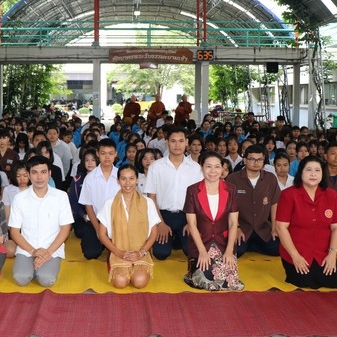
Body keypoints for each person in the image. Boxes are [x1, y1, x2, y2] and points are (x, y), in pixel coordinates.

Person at [274, 156, 337, 289]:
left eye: (317, 170)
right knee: (308, 283)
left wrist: (332, 254)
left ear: (322, 174)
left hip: (323, 252)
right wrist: (295, 256)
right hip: (297, 251)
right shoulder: (288, 194)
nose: (313, 174)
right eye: (308, 170)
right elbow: (280, 227)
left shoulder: (331, 194)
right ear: (301, 173)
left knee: (334, 282)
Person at [8, 155, 74, 287]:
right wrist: (33, 251)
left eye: (43, 172)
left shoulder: (61, 196)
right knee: (21, 278)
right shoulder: (19, 198)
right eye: (34, 172)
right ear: (29, 175)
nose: (39, 177)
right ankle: (32, 267)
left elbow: (65, 228)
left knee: (46, 279)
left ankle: (42, 267)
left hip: (51, 249)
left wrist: (48, 253)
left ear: (49, 174)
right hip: (27, 249)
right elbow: (14, 231)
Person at [182, 151, 244, 291]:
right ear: (202, 168)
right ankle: (192, 273)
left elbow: (233, 223)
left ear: (222, 169)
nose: (213, 171)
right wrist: (202, 252)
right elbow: (191, 224)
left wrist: (229, 251)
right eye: (208, 166)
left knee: (230, 283)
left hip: (223, 242)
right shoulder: (192, 190)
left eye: (217, 167)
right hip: (201, 242)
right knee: (208, 280)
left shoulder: (231, 190)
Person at [144, 125, 204, 260]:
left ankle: (178, 239)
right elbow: (151, 198)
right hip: (163, 215)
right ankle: (173, 238)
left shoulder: (195, 168)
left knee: (191, 252)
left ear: (186, 142)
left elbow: (199, 198)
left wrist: (192, 223)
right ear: (167, 142)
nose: (177, 145)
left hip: (187, 215)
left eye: (181, 141)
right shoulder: (156, 167)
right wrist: (160, 223)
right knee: (161, 254)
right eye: (173, 141)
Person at [96, 165, 160, 289]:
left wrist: (141, 252)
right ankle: (117, 265)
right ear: (118, 180)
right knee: (120, 282)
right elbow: (102, 234)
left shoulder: (148, 203)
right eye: (123, 179)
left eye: (131, 178)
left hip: (141, 251)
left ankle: (138, 265)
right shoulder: (110, 203)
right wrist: (118, 252)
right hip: (118, 251)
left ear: (137, 180)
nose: (127, 183)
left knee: (139, 282)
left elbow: (154, 233)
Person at [227, 145, 281, 257]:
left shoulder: (270, 178)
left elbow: (275, 203)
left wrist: (275, 227)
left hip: (263, 228)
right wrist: (236, 228)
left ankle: (251, 245)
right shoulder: (233, 179)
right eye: (252, 159)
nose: (256, 163)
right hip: (242, 227)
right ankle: (249, 245)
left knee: (277, 249)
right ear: (244, 160)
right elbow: (228, 207)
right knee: (237, 251)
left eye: (260, 159)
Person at [78, 138, 120, 259]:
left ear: (116, 154)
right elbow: (88, 206)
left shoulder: (121, 176)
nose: (107, 157)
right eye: (103, 153)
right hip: (96, 221)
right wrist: (98, 231)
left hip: (117, 222)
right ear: (97, 154)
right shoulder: (90, 178)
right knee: (91, 253)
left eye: (110, 153)